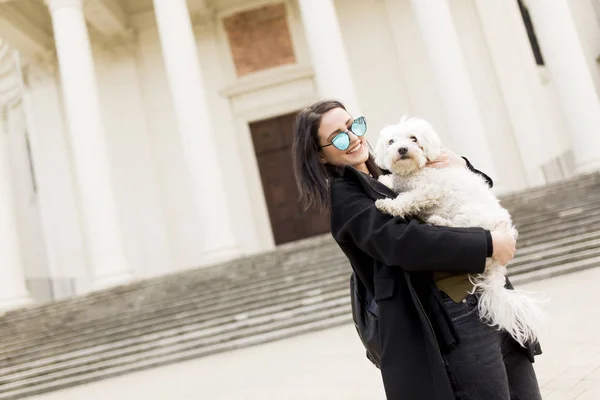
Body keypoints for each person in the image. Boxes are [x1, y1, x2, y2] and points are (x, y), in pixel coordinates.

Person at [292, 99, 542, 400]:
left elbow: (464, 191)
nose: (355, 137)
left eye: (354, 125)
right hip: (453, 312)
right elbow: (404, 242)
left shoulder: (389, 175)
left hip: (485, 295)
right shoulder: (346, 197)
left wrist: (461, 166)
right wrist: (488, 243)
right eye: (339, 136)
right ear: (320, 156)